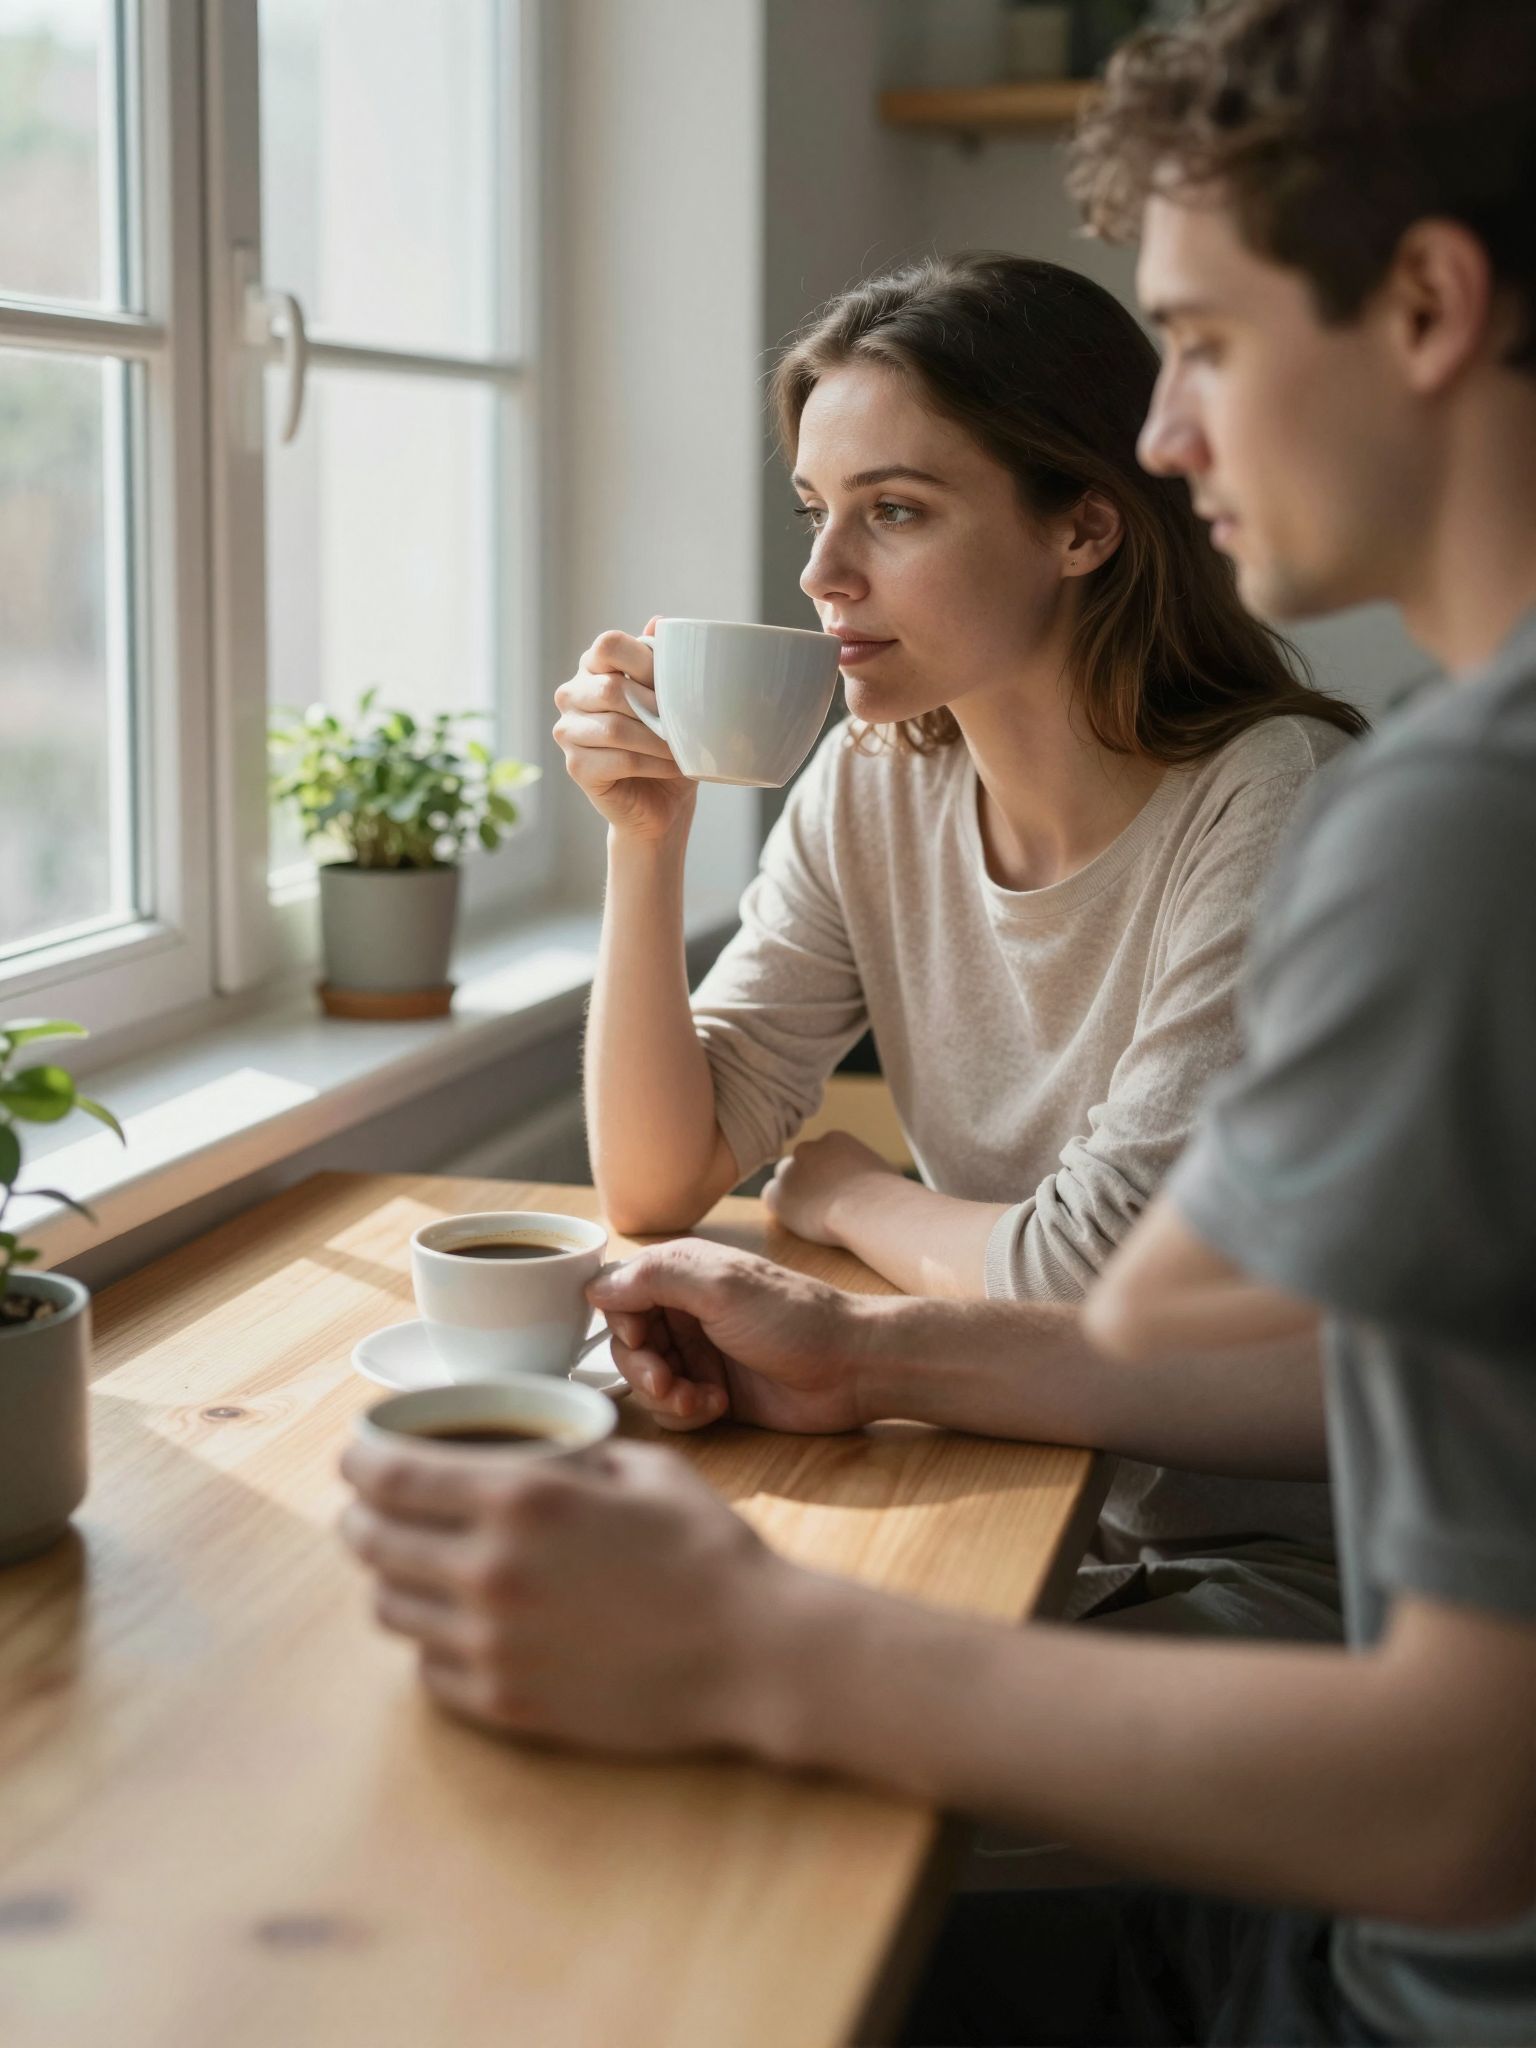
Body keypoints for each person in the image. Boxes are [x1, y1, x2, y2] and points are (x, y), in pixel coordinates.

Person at [342, 1, 1536, 2040]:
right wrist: (649, 855)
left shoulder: (1397, 821)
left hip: (1367, 1874)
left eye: (1207, 345)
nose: (1173, 434)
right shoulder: (917, 780)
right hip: (1132, 1571)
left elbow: (1146, 1310)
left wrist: (754, 1615)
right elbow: (1313, 1354)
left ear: (1427, 304)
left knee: (643, 1878)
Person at [561, 254, 1365, 1643]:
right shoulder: (874, 782)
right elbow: (655, 1174)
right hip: (1025, 1497)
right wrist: (646, 841)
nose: (822, 573)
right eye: (816, 509)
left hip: (1278, 1569)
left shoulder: (1271, 802)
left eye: (895, 511)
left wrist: (851, 1196)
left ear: (1085, 527)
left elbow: (1086, 1279)